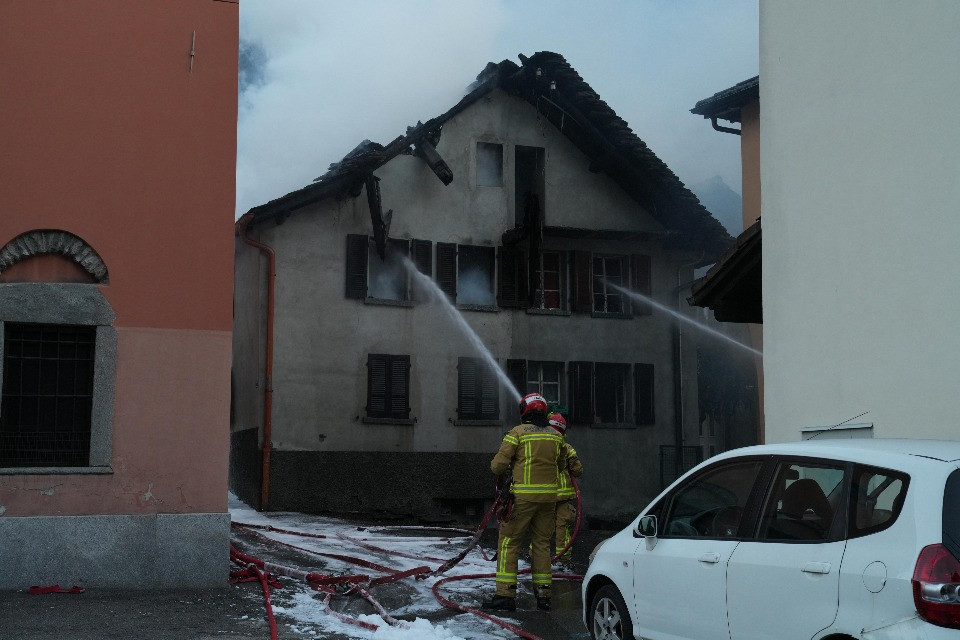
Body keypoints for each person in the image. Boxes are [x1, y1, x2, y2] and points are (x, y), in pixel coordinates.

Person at [482, 393, 565, 612]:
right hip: (548, 500)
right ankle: (544, 595)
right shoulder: (556, 436)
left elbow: (497, 467)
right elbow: (562, 465)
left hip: (522, 500)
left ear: (524, 410)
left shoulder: (517, 433)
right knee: (542, 544)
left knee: (509, 543)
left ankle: (505, 595)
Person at [548, 412, 583, 562]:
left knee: (542, 528)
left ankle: (535, 556)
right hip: (564, 497)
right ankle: (563, 560)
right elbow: (578, 471)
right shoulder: (567, 448)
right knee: (562, 528)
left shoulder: (541, 446)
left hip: (545, 495)